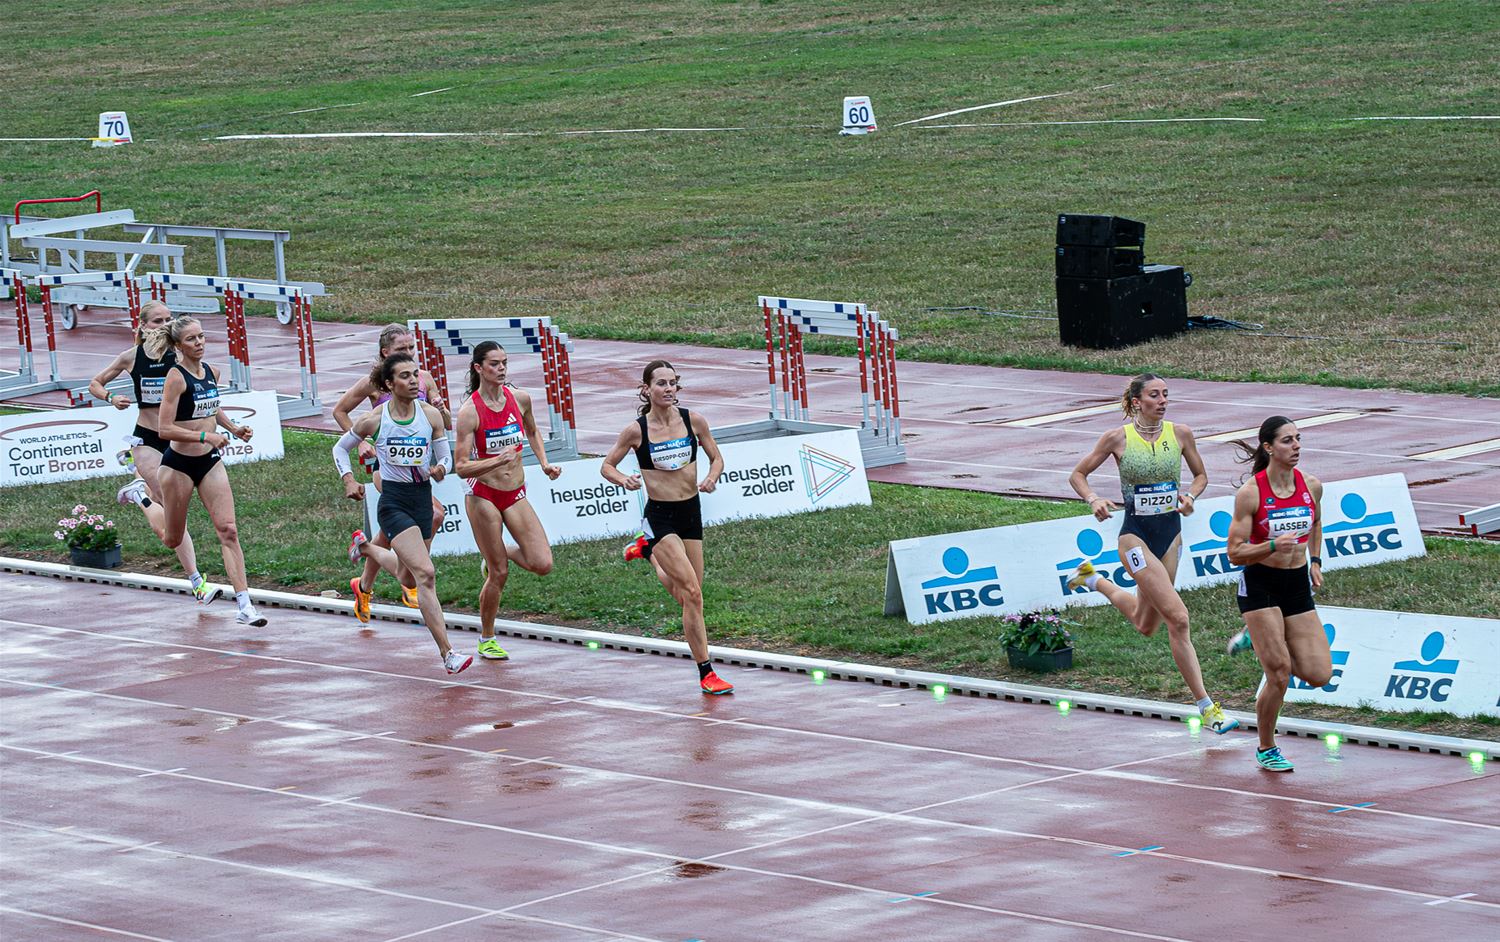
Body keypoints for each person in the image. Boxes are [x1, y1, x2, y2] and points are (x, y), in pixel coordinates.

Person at [1067, 372, 1238, 733]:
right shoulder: (1117, 438)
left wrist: (1190, 496)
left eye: (1165, 395)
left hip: (1170, 536)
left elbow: (1201, 476)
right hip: (1135, 537)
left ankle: (1092, 578)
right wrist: (1093, 499)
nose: (1162, 401)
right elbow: (1078, 475)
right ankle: (1207, 708)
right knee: (1178, 618)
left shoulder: (1181, 433)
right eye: (1154, 396)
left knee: (1146, 624)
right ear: (1136, 402)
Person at [601, 360, 733, 695]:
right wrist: (624, 479)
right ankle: (706, 672)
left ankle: (646, 551)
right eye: (661, 383)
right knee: (692, 592)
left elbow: (717, 458)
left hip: (691, 512)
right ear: (646, 389)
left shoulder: (693, 420)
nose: (669, 389)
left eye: (673, 382)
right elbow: (607, 466)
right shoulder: (636, 431)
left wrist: (712, 477)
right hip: (660, 515)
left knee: (689, 597)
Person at [335, 352, 472, 675]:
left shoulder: (430, 416)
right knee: (426, 574)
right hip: (394, 502)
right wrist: (349, 479)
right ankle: (448, 653)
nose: (414, 381)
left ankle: (366, 547)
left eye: (416, 374)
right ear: (389, 384)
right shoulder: (374, 420)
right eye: (405, 376)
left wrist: (441, 468)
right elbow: (340, 448)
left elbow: (445, 456)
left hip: (421, 500)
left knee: (408, 575)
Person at [90, 301, 222, 606]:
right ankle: (197, 583)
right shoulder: (131, 357)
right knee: (171, 508)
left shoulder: (180, 354)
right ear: (142, 326)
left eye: (168, 319)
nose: (164, 325)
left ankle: (139, 495)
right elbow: (95, 383)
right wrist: (111, 397)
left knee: (170, 522)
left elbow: (210, 379)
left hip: (180, 440)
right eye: (157, 321)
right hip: (148, 438)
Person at [1224, 416, 1332, 772]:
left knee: (1319, 674)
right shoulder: (1251, 493)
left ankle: (1257, 638)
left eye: (1298, 439)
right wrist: (1271, 545)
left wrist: (1315, 560)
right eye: (1287, 440)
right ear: (1268, 447)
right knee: (1280, 673)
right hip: (1260, 585)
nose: (1296, 446)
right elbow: (1235, 552)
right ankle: (1266, 747)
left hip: (1296, 584)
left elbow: (1316, 522)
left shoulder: (1311, 485)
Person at [152, 316, 265, 626]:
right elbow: (164, 429)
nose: (199, 342)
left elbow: (212, 406)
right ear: (178, 345)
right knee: (172, 539)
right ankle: (142, 499)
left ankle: (245, 606)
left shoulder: (211, 372)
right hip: (178, 465)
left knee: (228, 530)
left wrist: (233, 428)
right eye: (191, 339)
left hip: (209, 462)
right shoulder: (175, 378)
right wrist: (206, 436)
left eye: (201, 336)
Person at [452, 341, 561, 661]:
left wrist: (544, 462)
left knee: (543, 564)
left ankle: (500, 554)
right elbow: (461, 467)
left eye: (504, 363)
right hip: (483, 494)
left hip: (515, 491)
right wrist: (496, 461)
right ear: (478, 368)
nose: (501, 369)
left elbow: (533, 431)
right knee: (499, 574)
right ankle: (487, 638)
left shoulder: (520, 399)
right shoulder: (470, 412)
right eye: (494, 364)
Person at [333, 323, 449, 619]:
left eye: (411, 348)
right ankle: (414, 578)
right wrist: (361, 443)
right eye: (401, 349)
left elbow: (445, 424)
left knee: (390, 531)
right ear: (385, 352)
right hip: (385, 467)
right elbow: (340, 411)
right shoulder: (373, 382)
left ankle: (365, 582)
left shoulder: (423, 378)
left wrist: (441, 407)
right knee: (434, 514)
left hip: (420, 468)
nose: (409, 353)